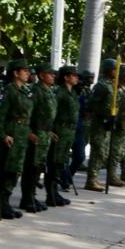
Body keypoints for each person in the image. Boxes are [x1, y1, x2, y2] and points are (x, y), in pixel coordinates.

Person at [0, 59, 32, 219]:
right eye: (24, 71)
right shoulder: (9, 91)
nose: (27, 73)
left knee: (15, 171)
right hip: (11, 134)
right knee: (5, 170)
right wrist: (2, 135)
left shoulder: (25, 90)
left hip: (22, 135)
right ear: (16, 73)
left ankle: (5, 202)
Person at [21, 63, 56, 213]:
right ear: (42, 75)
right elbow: (28, 114)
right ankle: (27, 198)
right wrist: (29, 131)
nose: (53, 76)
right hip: (36, 134)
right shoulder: (36, 91)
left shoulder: (49, 91)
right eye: (50, 73)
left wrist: (49, 131)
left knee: (39, 167)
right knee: (31, 167)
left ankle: (32, 195)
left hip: (44, 134)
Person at [83, 58, 118, 192]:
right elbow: (92, 104)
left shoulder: (111, 85)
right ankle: (91, 180)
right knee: (98, 151)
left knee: (103, 152)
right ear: (108, 70)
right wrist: (103, 114)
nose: (116, 72)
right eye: (114, 69)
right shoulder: (102, 85)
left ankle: (94, 178)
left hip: (107, 123)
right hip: (99, 123)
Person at [47, 66, 79, 206]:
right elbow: (52, 112)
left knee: (61, 162)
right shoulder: (59, 92)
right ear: (66, 77)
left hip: (69, 132)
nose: (76, 78)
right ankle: (51, 193)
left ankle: (55, 192)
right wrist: (50, 129)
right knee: (54, 162)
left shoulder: (73, 93)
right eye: (73, 75)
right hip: (60, 130)